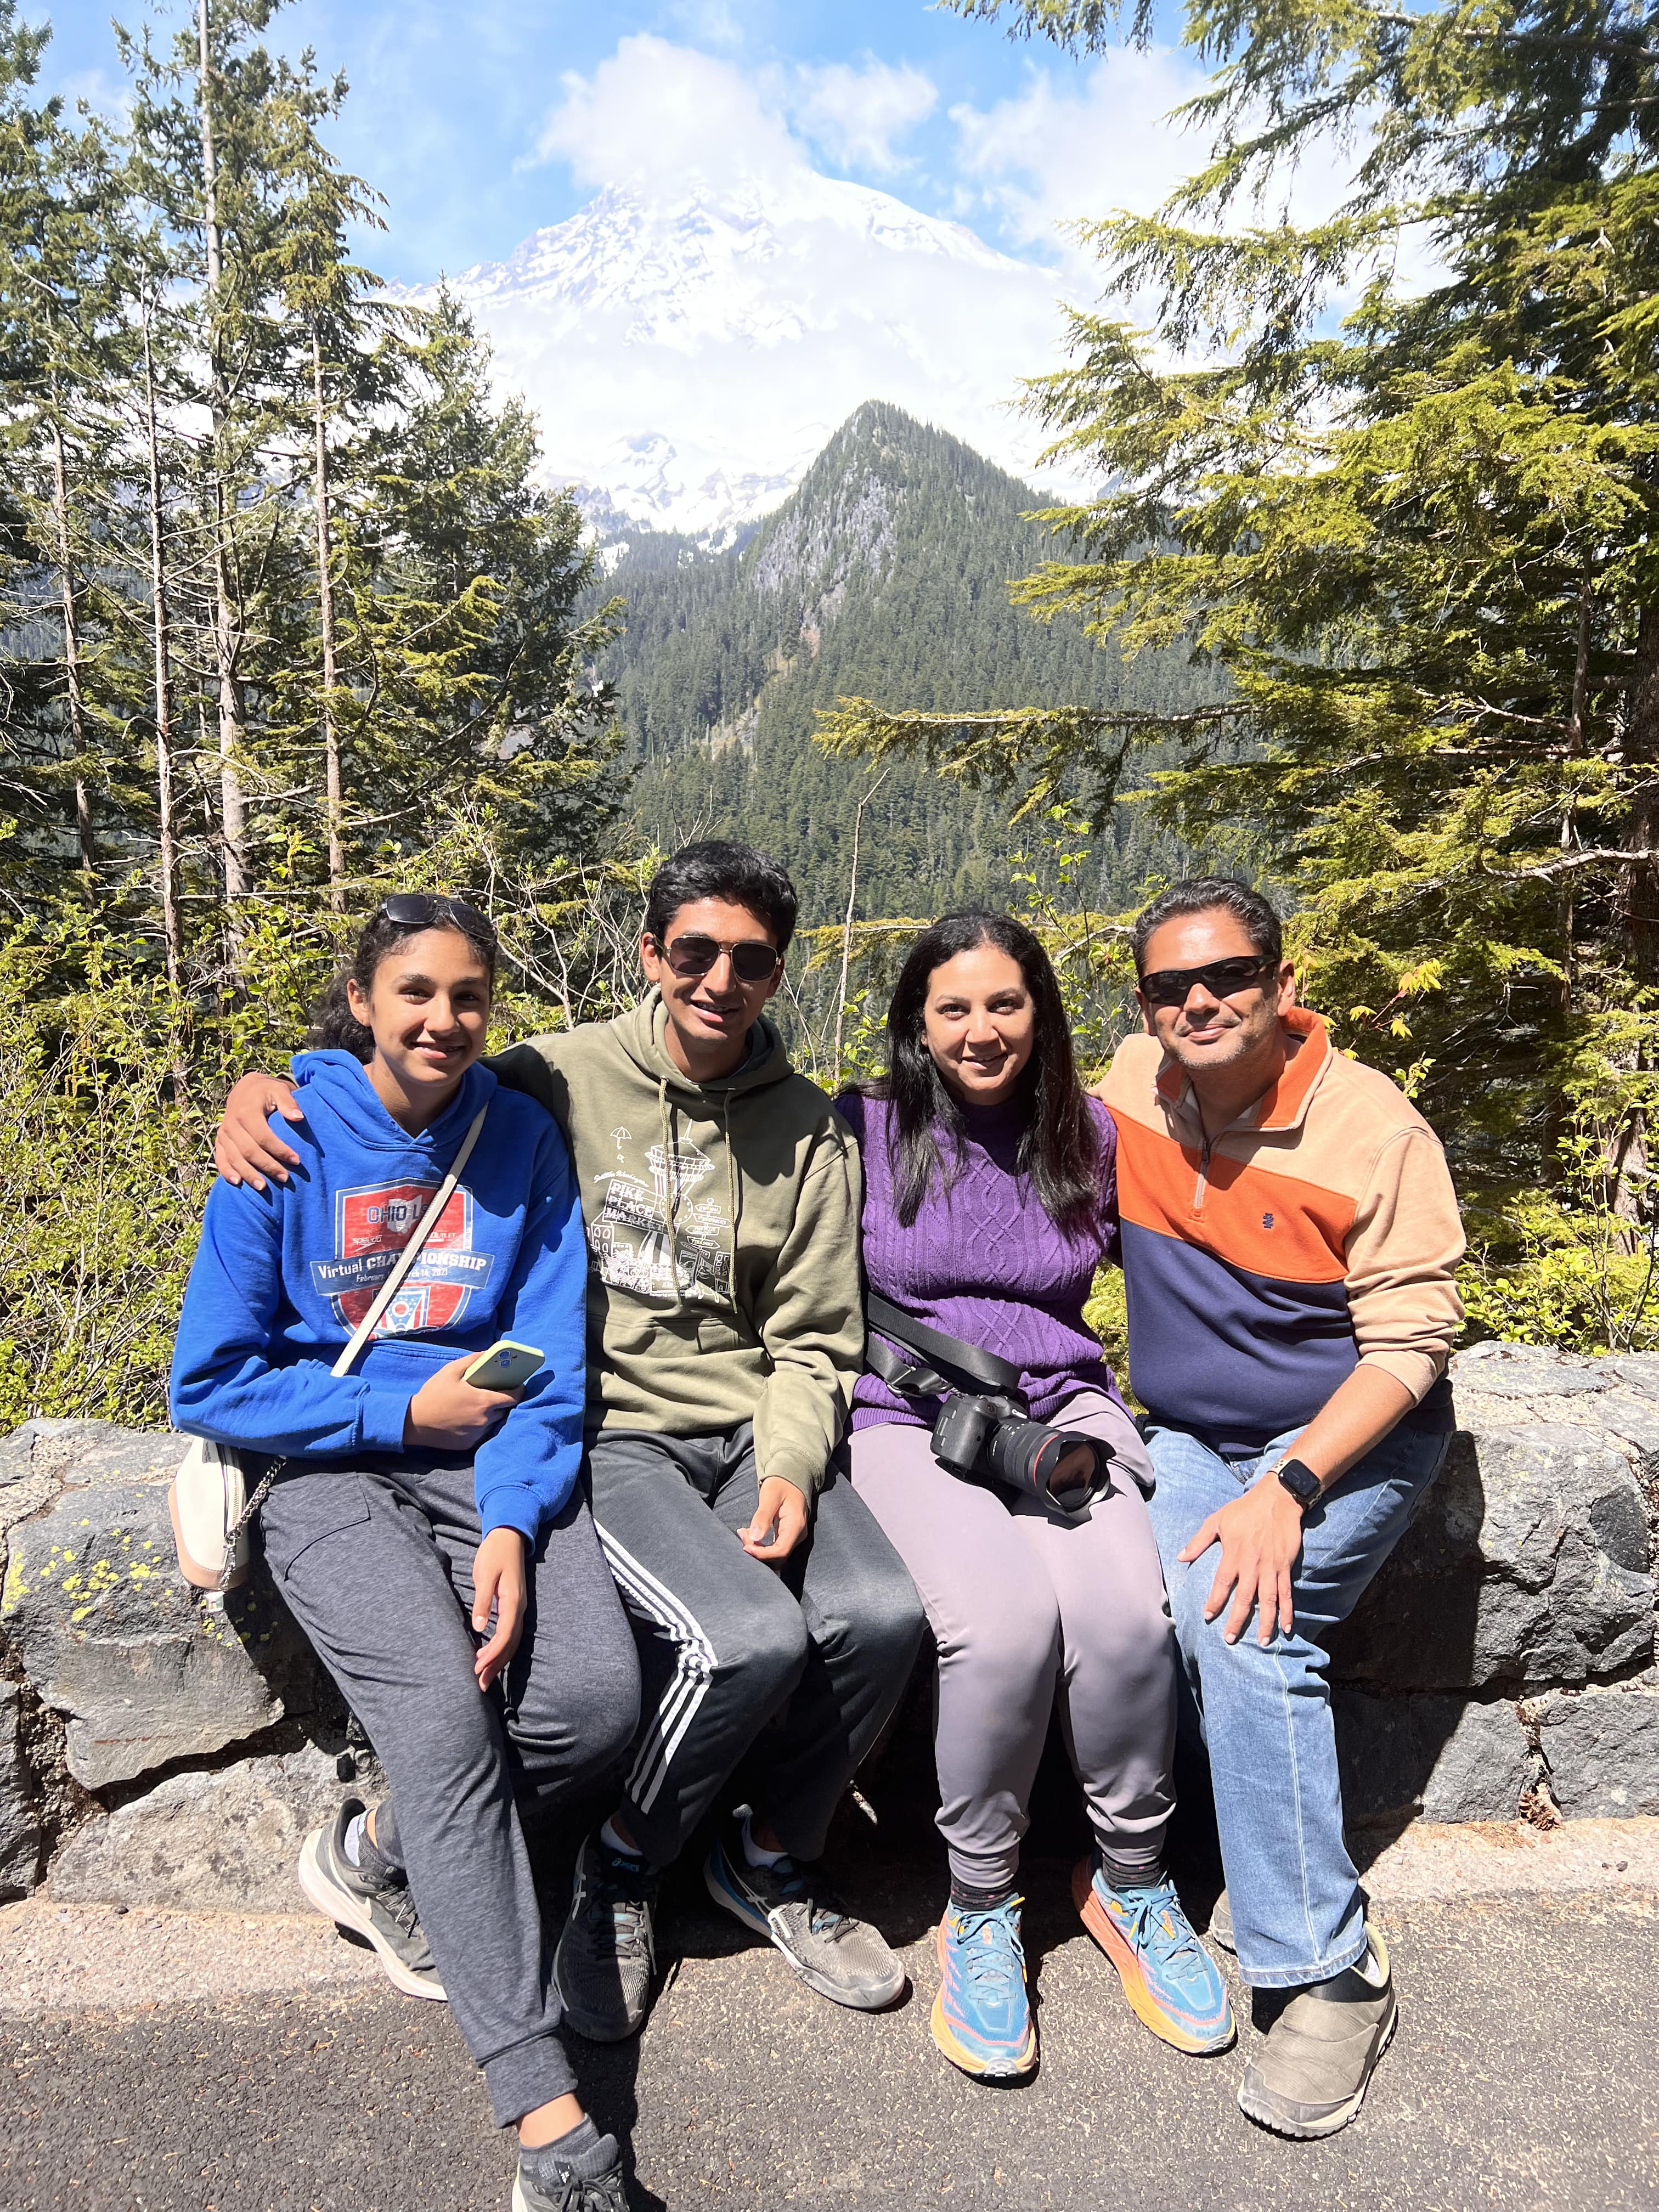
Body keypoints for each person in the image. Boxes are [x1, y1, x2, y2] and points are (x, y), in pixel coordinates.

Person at [212, 843, 927, 2046]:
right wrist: (267, 1088)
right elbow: (415, 1078)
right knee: (742, 1640)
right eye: (693, 951)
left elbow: (814, 1337)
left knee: (884, 1616)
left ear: (778, 974)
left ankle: (766, 1854)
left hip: (754, 1428)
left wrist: (796, 1464)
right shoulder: (557, 1074)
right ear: (650, 955)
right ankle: (624, 1869)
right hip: (617, 1430)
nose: (719, 979)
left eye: (750, 960)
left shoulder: (809, 1129)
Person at [171, 893, 642, 2212]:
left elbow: (548, 1355)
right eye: (415, 993)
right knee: (444, 1723)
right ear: (366, 1002)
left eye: (468, 996)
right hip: (322, 1467)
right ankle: (551, 2126)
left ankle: (382, 1848)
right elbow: (209, 1379)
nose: (443, 1018)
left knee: (595, 1702)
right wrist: (393, 1409)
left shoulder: (520, 1138)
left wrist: (508, 1516)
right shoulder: (287, 1137)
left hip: (477, 1459)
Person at [1099, 877, 1465, 2141]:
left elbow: (1415, 1340)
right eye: (1167, 987)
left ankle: (1328, 1969)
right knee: (1120, 1600)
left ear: (1282, 986)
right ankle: (1125, 1868)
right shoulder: (1133, 1087)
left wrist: (1293, 1488)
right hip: (1192, 1432)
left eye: (1227, 978)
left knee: (1246, 1620)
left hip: (1344, 1440)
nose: (1197, 1002)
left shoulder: (1371, 1127)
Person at [838, 911, 1232, 2082]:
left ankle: (1132, 1884)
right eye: (952, 1008)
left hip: (1059, 1418)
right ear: (917, 1021)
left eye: (1005, 1004)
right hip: (907, 1419)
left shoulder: (1093, 1135)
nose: (980, 1030)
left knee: (1126, 1618)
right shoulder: (858, 1128)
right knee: (1001, 1626)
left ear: (1041, 1013)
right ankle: (980, 1904)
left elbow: (1229, 1162)